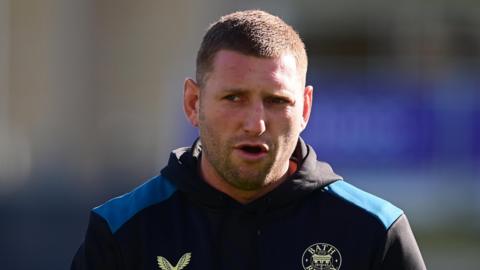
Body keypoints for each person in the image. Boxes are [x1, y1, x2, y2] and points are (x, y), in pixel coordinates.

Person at [71, 10, 426, 270]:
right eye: (234, 98)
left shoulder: (375, 231)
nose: (255, 124)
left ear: (304, 108)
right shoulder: (121, 230)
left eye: (276, 101)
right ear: (194, 103)